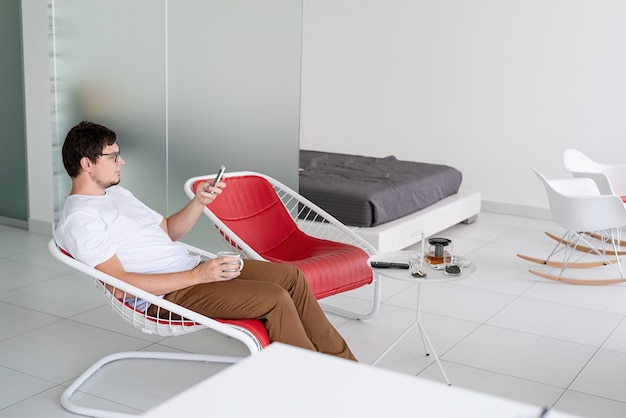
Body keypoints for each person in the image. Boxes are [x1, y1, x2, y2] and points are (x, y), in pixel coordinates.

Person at [54, 121, 356, 361]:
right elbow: (119, 285)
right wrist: (198, 276)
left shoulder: (117, 194)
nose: (122, 161)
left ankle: (341, 364)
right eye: (113, 156)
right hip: (165, 298)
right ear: (87, 163)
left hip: (190, 270)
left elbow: (170, 230)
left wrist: (200, 202)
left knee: (291, 276)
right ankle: (310, 378)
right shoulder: (80, 218)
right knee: (274, 298)